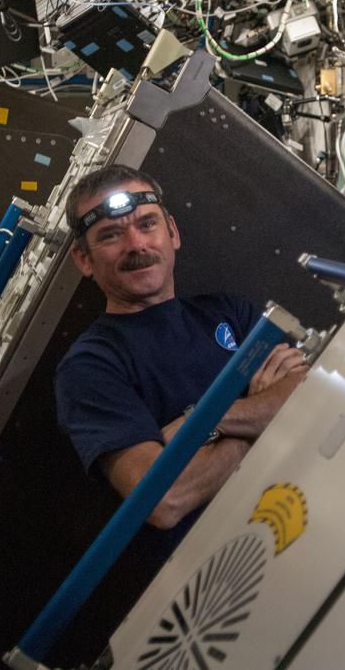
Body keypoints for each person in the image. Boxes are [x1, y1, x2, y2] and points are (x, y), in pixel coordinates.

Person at [55, 164, 308, 559]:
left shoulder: (229, 313)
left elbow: (308, 395)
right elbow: (164, 499)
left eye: (147, 224)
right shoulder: (90, 367)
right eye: (111, 235)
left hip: (305, 522)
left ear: (172, 233)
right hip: (220, 572)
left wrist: (197, 423)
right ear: (83, 260)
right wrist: (261, 422)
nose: (136, 245)